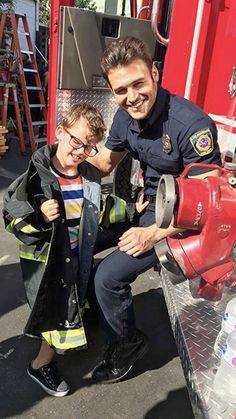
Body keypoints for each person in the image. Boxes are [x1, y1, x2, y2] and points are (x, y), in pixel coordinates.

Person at [88, 36, 222, 383]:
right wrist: (64, 153)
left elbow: (211, 205)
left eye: (138, 84)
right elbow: (105, 163)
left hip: (183, 222)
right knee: (82, 244)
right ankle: (99, 314)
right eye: (121, 90)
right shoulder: (123, 117)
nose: (131, 97)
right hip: (146, 207)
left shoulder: (191, 125)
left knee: (108, 276)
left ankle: (128, 343)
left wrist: (152, 234)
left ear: (155, 73)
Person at [3, 103, 106, 397]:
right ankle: (40, 364)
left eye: (89, 147)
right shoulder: (36, 177)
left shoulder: (89, 177)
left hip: (75, 256)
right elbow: (12, 220)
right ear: (61, 132)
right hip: (47, 265)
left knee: (70, 304)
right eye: (77, 141)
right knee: (56, 311)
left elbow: (100, 209)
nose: (81, 151)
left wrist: (130, 210)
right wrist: (38, 216)